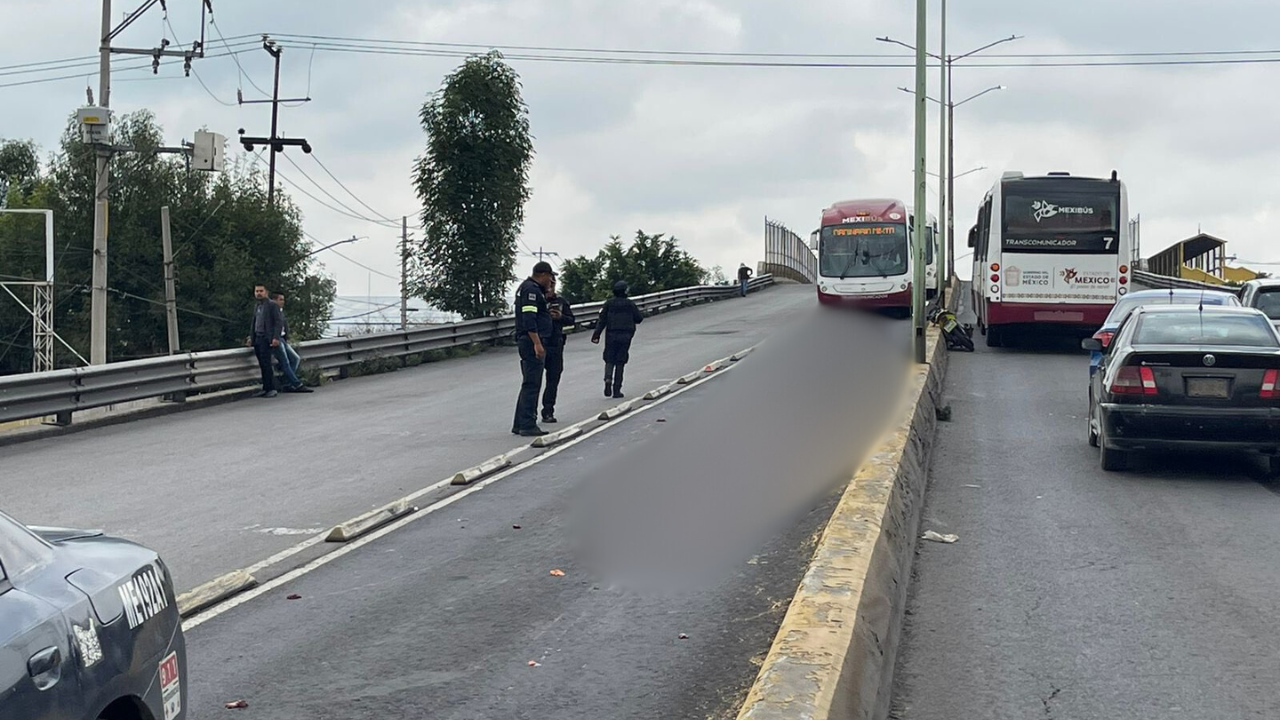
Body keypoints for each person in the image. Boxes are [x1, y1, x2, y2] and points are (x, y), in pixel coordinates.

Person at [511, 261, 555, 437]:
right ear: (543, 274)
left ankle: (519, 423)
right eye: (550, 277)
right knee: (532, 384)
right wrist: (537, 342)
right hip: (531, 342)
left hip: (528, 340)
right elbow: (529, 318)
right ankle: (528, 424)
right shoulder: (531, 290)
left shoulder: (529, 288)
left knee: (528, 382)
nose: (551, 281)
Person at [591, 280, 644, 399]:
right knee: (621, 361)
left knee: (609, 358)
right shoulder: (630, 304)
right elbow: (639, 318)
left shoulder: (609, 304)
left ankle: (608, 379)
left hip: (611, 334)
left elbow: (602, 320)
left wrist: (596, 334)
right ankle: (617, 389)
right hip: (626, 335)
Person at [541, 275, 576, 424]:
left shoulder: (561, 302)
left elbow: (571, 321)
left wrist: (560, 317)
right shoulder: (538, 300)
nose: (551, 286)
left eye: (553, 284)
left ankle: (548, 410)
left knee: (553, 379)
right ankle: (528, 414)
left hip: (556, 344)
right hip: (540, 343)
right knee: (534, 381)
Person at [248, 283, 284, 398]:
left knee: (267, 364)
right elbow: (254, 323)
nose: (258, 293)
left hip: (266, 338)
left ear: (266, 292)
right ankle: (265, 387)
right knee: (262, 364)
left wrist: (275, 337)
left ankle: (271, 388)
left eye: (261, 291)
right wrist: (251, 337)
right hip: (258, 338)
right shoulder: (257, 306)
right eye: (257, 291)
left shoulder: (272, 305)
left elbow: (278, 322)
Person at [272, 292, 312, 393]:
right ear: (274, 300)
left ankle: (287, 383)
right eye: (280, 299)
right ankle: (297, 384)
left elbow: (284, 326)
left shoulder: (280, 311)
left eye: (283, 300)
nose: (283, 302)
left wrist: (286, 338)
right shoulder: (271, 312)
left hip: (282, 339)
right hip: (276, 339)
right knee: (285, 362)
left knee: (295, 359)